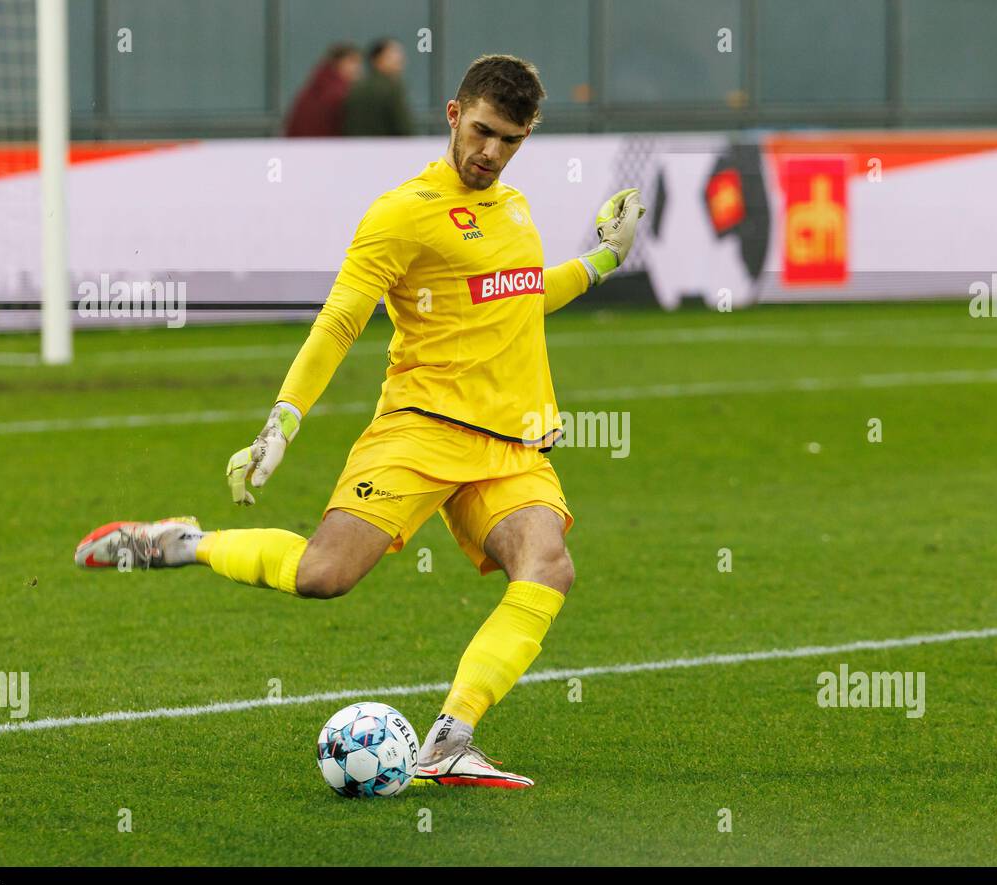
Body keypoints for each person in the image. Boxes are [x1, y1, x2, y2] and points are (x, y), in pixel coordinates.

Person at [74, 54, 645, 790]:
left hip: (509, 446)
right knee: (323, 576)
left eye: (509, 140)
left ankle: (450, 736)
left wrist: (601, 261)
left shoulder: (515, 209)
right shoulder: (402, 212)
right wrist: (283, 419)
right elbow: (341, 319)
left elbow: (522, 295)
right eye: (479, 132)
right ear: (452, 114)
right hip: (420, 430)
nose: (489, 153)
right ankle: (184, 542)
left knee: (548, 567)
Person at [284, 43, 364, 137]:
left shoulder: (317, 85)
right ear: (336, 63)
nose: (357, 68)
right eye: (352, 62)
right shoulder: (337, 92)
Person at [341, 38, 413, 136]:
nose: (400, 61)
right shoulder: (391, 88)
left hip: (358, 146)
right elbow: (403, 126)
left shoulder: (357, 86)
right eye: (393, 56)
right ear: (377, 59)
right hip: (389, 147)